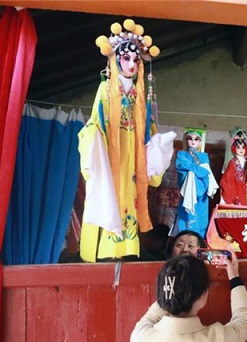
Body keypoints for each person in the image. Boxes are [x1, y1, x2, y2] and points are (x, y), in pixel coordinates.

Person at [78, 19, 175, 262]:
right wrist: (93, 137)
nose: (131, 64)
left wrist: (156, 145)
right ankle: (104, 249)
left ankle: (127, 245)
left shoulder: (140, 95)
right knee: (110, 193)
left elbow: (148, 128)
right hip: (113, 155)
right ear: (115, 60)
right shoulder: (105, 90)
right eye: (126, 58)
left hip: (133, 156)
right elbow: (95, 122)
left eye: (135, 60)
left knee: (130, 196)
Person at [175, 128, 218, 238]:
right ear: (186, 140)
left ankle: (199, 239)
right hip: (187, 190)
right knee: (186, 215)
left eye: (196, 139)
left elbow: (205, 172)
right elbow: (181, 167)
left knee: (201, 215)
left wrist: (191, 168)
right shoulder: (181, 154)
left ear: (200, 142)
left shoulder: (204, 156)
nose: (193, 141)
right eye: (190, 139)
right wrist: (196, 170)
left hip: (201, 191)